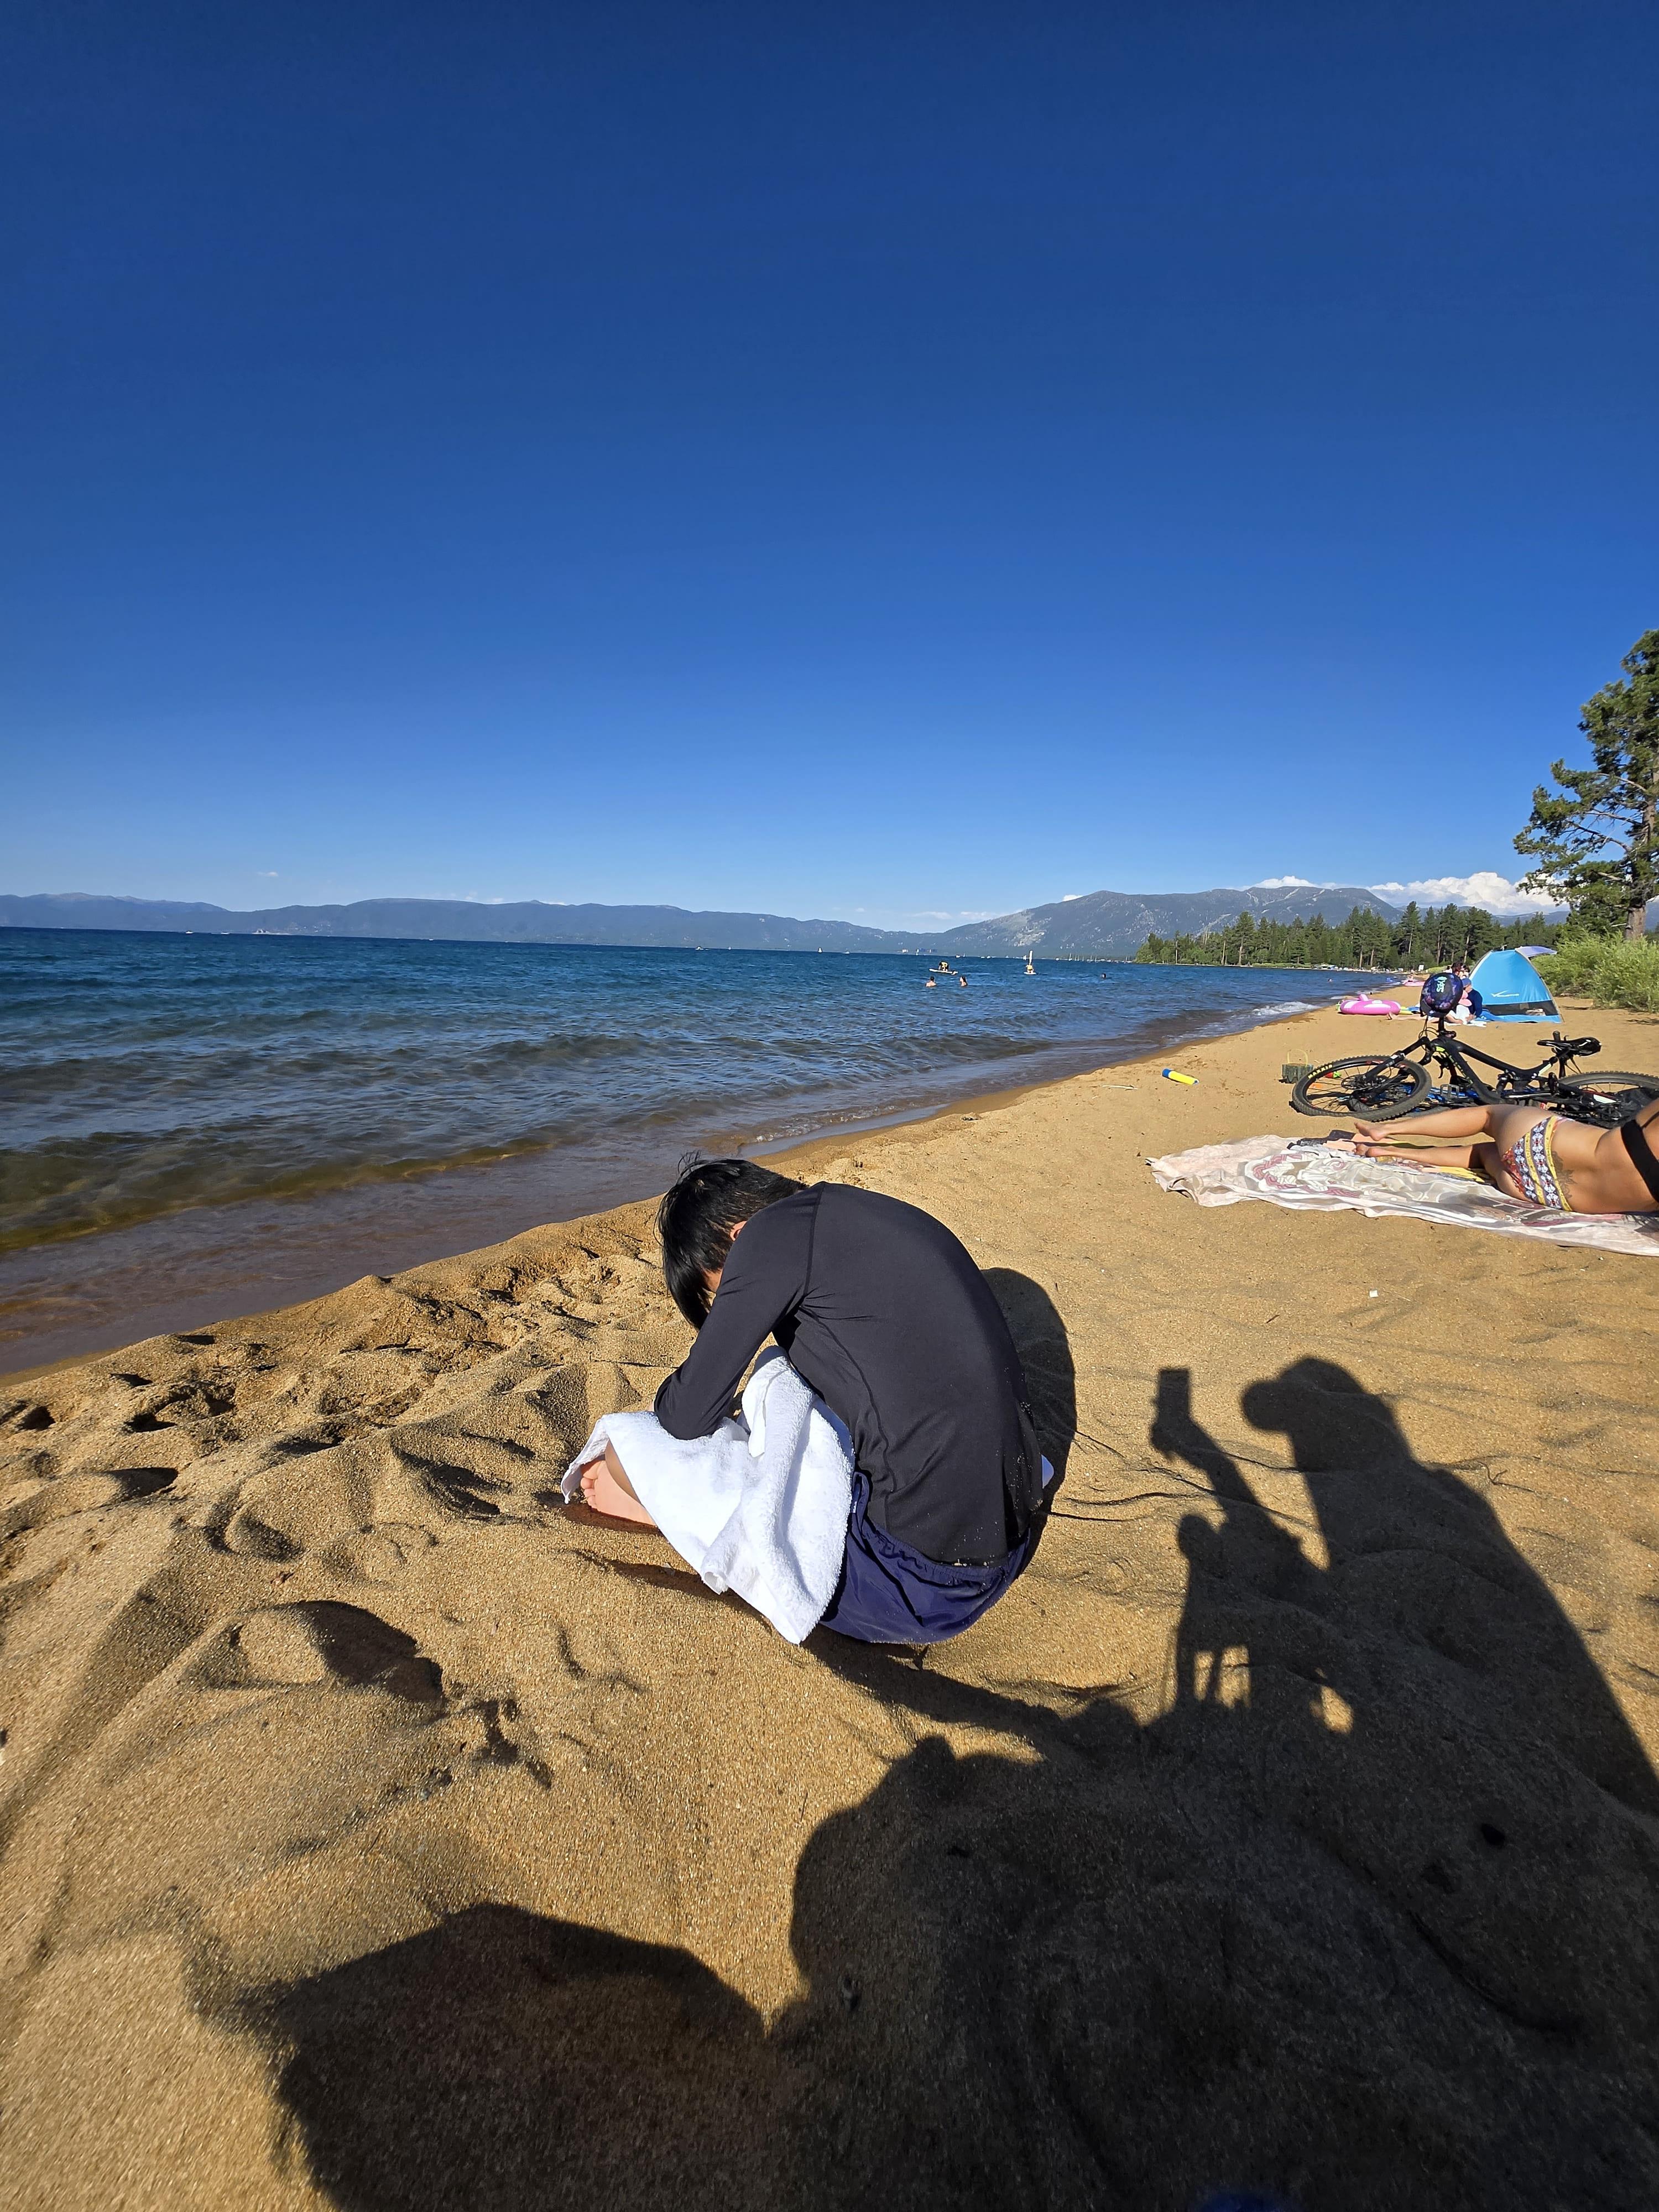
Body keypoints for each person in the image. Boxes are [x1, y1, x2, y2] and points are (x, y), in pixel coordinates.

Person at [578, 1157, 1048, 1641]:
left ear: (736, 1236)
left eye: (723, 1294)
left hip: (916, 1581)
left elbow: (684, 1414)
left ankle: (672, 1519)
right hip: (1009, 1533)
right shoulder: (864, 1212)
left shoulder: (766, 1239)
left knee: (623, 1452)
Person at [1350, 1094, 1659, 1213]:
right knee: (1485, 1155)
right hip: (1546, 1194)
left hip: (1542, 1142)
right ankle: (1389, 1152)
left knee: (1488, 1117)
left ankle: (1389, 1131)